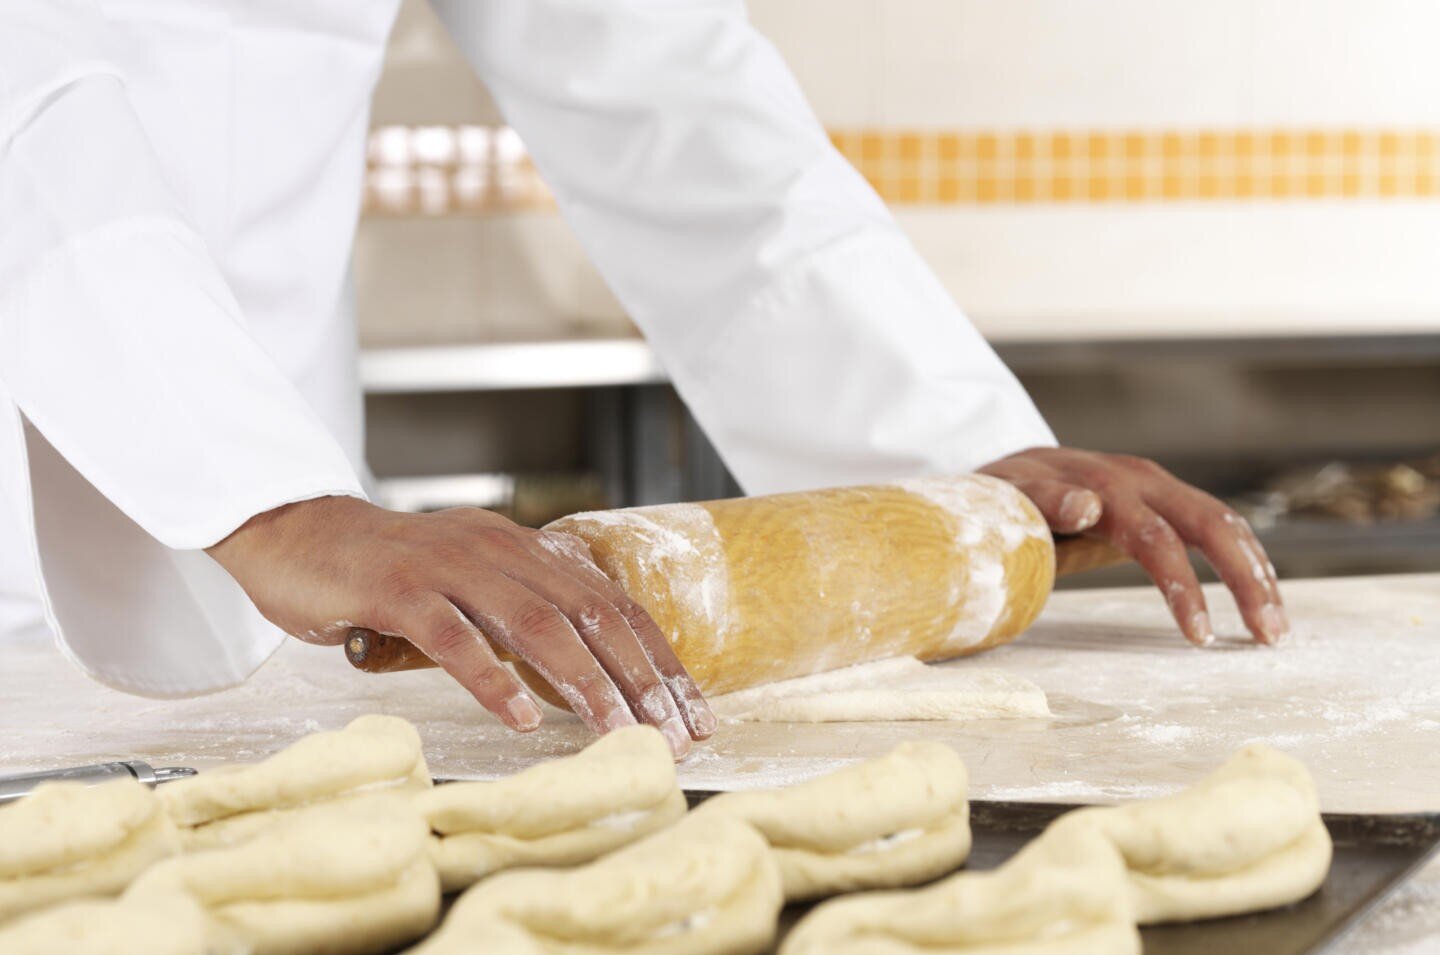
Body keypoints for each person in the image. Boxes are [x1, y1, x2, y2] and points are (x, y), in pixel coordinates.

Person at [0, 1, 1286, 759]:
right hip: (226, 500)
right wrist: (254, 494)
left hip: (287, 569)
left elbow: (668, 95)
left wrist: (954, 480)